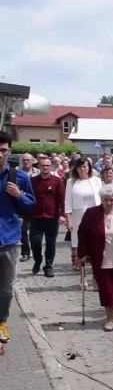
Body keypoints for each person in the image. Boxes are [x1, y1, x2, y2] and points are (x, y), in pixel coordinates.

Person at [76, 186, 113, 332]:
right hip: (100, 256)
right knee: (106, 288)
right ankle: (109, 318)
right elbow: (82, 234)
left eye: (112, 200)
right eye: (106, 200)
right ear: (101, 199)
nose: (109, 203)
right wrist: (82, 254)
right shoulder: (91, 213)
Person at [0, 131, 36, 344]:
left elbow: (31, 206)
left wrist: (19, 195)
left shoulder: (20, 177)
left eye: (4, 150)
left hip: (9, 240)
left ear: (10, 151)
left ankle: (1, 322)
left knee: (6, 287)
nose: (0, 154)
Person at [65, 157, 103, 272]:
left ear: (89, 168)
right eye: (80, 166)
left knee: (96, 243)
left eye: (85, 166)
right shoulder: (71, 182)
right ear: (76, 168)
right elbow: (67, 202)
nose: (82, 169)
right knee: (79, 244)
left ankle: (96, 274)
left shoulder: (96, 180)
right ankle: (82, 274)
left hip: (95, 216)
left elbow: (102, 198)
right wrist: (69, 220)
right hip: (78, 216)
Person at [29, 157, 66, 277]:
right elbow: (28, 197)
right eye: (43, 165)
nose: (45, 167)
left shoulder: (57, 181)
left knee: (51, 244)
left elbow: (62, 200)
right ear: (38, 166)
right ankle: (37, 260)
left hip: (52, 217)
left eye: (47, 165)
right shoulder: (32, 181)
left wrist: (62, 215)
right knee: (35, 241)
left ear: (51, 167)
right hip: (36, 217)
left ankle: (48, 266)